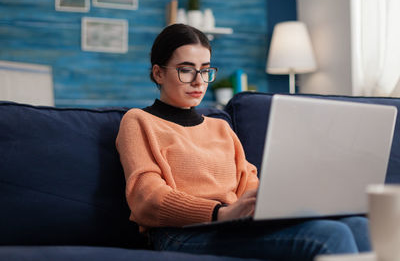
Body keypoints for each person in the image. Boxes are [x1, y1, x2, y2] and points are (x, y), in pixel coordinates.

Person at [116, 24, 371, 261]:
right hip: (180, 233)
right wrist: (218, 212)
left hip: (231, 226)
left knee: (359, 225)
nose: (198, 81)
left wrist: (263, 203)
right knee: (330, 235)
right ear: (158, 73)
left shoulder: (220, 127)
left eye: (205, 70)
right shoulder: (139, 121)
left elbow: (249, 185)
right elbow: (146, 197)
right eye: (186, 70)